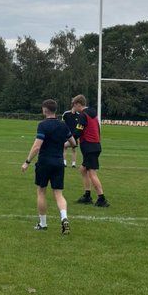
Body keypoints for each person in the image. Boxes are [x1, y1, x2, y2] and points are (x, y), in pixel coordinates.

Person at [21, 99, 77, 233]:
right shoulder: (63, 125)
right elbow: (73, 143)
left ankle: (43, 223)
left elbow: (37, 146)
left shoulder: (43, 125)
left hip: (44, 162)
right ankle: (64, 218)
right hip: (58, 163)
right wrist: (61, 144)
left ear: (45, 110)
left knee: (41, 192)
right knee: (58, 194)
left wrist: (27, 161)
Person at [71, 94, 110, 207]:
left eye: (74, 105)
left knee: (92, 173)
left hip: (89, 147)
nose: (73, 108)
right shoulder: (92, 113)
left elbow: (78, 132)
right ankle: (87, 196)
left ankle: (102, 199)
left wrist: (67, 142)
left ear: (78, 104)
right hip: (95, 145)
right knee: (83, 169)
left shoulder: (83, 115)